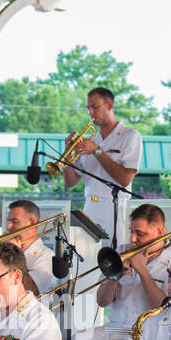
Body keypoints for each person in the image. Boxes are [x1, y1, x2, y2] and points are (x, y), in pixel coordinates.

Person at [71, 203, 171, 340]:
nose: (133, 239)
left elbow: (163, 307)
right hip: (116, 326)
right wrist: (114, 276)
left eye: (140, 234)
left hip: (150, 332)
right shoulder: (121, 252)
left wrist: (142, 271)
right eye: (131, 231)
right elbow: (101, 301)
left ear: (159, 232)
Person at [61, 88, 143, 246]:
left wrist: (98, 152)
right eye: (88, 108)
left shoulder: (130, 135)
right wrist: (67, 155)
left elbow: (125, 179)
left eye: (95, 107)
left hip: (115, 209)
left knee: (114, 260)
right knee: (90, 263)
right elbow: (70, 182)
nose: (91, 113)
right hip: (89, 209)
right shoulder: (91, 139)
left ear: (109, 105)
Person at [3, 199, 57, 293]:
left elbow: (30, 289)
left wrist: (13, 255)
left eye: (15, 221)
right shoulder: (4, 252)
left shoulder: (46, 256)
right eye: (9, 221)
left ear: (32, 222)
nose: (9, 226)